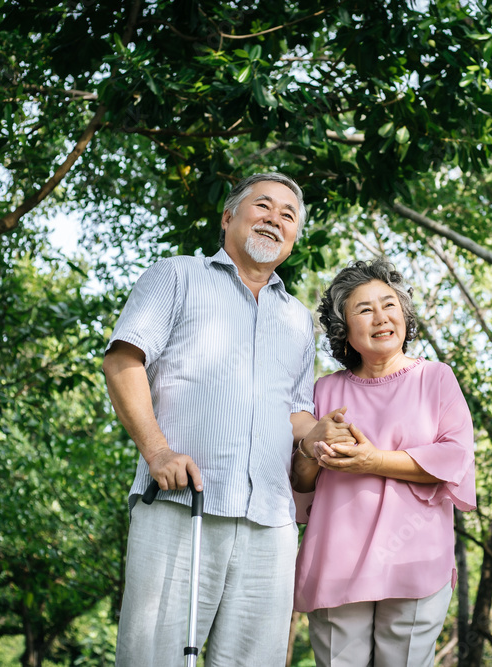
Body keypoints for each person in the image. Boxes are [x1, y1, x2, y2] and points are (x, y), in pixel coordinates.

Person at [103, 172, 335, 667]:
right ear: (228, 216)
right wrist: (158, 451)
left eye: (288, 216)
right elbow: (123, 361)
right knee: (154, 659)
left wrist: (319, 435)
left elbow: (294, 413)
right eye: (263, 206)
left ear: (294, 239)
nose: (275, 219)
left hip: (270, 523)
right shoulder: (176, 274)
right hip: (182, 505)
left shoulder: (297, 319)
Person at [291, 258, 477, 667]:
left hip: (416, 559)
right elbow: (300, 485)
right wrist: (312, 451)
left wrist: (372, 460)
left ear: (405, 315)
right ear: (344, 328)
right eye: (364, 309)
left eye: (389, 304)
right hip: (336, 559)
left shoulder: (435, 378)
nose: (381, 317)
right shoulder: (323, 390)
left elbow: (455, 458)